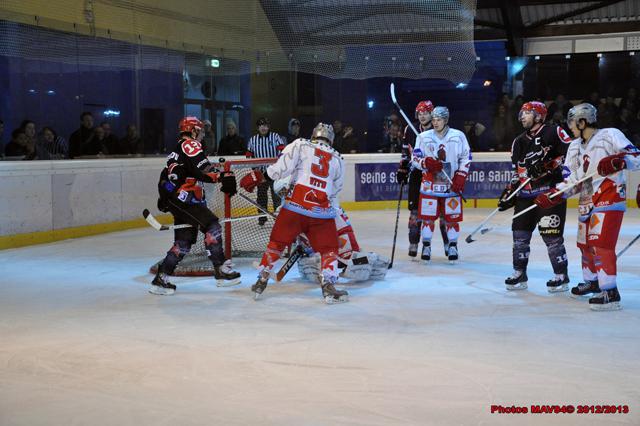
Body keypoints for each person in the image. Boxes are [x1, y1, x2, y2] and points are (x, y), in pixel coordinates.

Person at [534, 103, 640, 310]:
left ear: (582, 122)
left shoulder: (610, 135)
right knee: (585, 245)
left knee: (601, 245)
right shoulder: (574, 147)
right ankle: (592, 282)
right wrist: (555, 195)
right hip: (586, 200)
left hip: (609, 196)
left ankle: (610, 292)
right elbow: (574, 181)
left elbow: (636, 157)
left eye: (572, 123)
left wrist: (619, 161)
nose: (569, 128)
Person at [240, 123, 348, 304]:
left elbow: (281, 168)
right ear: (331, 139)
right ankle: (328, 285)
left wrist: (261, 177)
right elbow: (335, 191)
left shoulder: (300, 144)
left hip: (294, 207)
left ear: (314, 135)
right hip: (321, 212)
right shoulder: (338, 158)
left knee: (277, 243)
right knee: (329, 249)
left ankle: (262, 279)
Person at [150, 116, 240, 295]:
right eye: (201, 130)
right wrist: (223, 176)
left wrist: (166, 197)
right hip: (185, 200)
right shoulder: (189, 144)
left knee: (183, 242)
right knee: (212, 225)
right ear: (193, 130)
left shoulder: (176, 149)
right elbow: (203, 168)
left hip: (180, 200)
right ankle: (221, 270)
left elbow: (169, 176)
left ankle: (161, 279)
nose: (203, 134)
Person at [497, 101, 572, 292]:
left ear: (539, 116)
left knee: (551, 236)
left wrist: (549, 164)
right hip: (525, 195)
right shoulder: (518, 141)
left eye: (527, 113)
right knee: (519, 236)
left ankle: (561, 276)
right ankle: (519, 273)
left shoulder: (554, 132)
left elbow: (572, 154)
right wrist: (509, 192)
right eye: (521, 113)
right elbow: (517, 173)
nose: (522, 116)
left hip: (549, 194)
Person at [411, 106, 471, 262]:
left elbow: (466, 157)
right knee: (427, 219)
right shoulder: (423, 136)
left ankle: (452, 245)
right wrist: (426, 162)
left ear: (446, 120)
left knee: (451, 219)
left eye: (439, 119)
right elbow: (415, 158)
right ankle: (426, 246)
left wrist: (460, 176)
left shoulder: (458, 136)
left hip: (451, 186)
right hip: (429, 187)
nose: (436, 122)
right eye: (434, 119)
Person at [397, 100, 449, 259]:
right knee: (414, 211)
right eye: (419, 113)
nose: (422, 116)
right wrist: (402, 168)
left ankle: (448, 243)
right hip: (416, 174)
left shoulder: (438, 129)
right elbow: (405, 152)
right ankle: (414, 242)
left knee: (440, 210)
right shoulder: (410, 129)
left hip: (435, 176)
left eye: (425, 113)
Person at [297, 207, 390, 282]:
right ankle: (373, 262)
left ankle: (374, 260)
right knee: (309, 264)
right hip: (325, 224)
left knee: (355, 267)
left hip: (339, 228)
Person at [246, 117, 285, 226]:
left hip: (274, 173)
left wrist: (279, 165)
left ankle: (278, 218)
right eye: (261, 125)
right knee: (261, 197)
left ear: (269, 127)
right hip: (261, 174)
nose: (263, 127)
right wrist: (254, 169)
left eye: (266, 125)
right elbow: (249, 155)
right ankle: (261, 218)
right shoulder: (253, 139)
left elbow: (283, 151)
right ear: (258, 127)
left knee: (276, 195)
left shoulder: (275, 136)